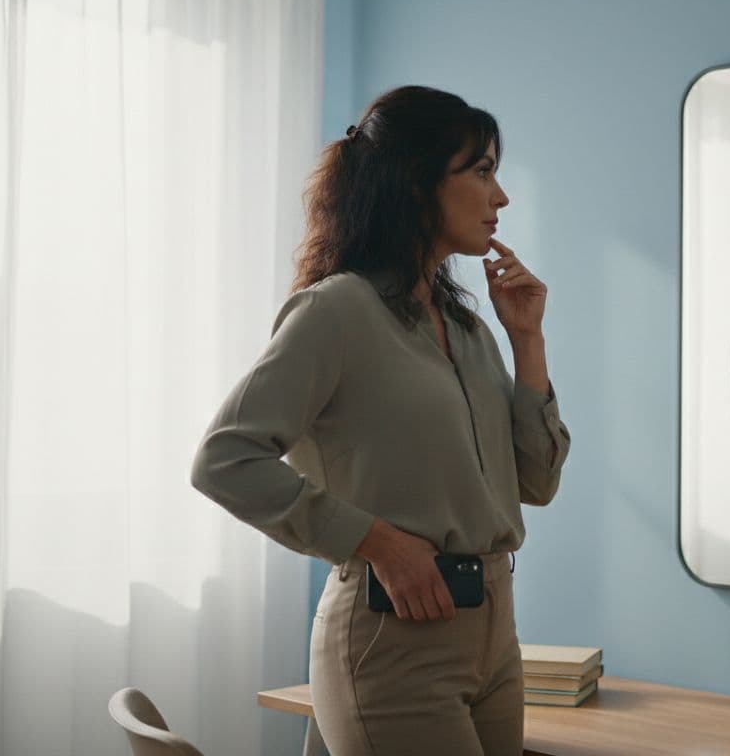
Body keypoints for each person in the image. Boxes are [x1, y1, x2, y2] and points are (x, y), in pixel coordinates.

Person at [190, 86, 570, 756]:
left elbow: (536, 484)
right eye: (482, 172)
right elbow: (224, 461)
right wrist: (376, 542)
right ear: (417, 183)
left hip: (496, 638)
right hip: (393, 639)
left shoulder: (469, 329)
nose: (501, 197)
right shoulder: (336, 311)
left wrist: (528, 342)